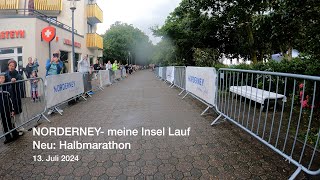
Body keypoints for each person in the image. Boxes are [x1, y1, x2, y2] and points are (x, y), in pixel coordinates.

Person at [5, 59, 25, 135]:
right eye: (10, 65)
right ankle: (14, 129)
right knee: (11, 114)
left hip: (16, 97)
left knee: (17, 113)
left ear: (15, 67)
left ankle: (20, 128)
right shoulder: (5, 74)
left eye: (13, 66)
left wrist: (15, 81)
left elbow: (21, 83)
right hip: (8, 98)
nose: (11, 67)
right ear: (8, 66)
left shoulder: (18, 75)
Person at [0, 72, 20, 144]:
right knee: (4, 124)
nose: (1, 79)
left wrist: (12, 109)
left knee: (10, 123)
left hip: (8, 108)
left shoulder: (7, 87)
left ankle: (15, 134)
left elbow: (11, 100)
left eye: (2, 78)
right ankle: (7, 137)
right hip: (2, 110)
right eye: (0, 78)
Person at [45, 50, 64, 115]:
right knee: (49, 94)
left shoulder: (60, 62)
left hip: (56, 79)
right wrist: (51, 62)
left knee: (56, 94)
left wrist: (57, 63)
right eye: (54, 54)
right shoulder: (49, 60)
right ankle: (51, 108)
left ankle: (57, 107)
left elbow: (59, 70)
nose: (55, 56)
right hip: (49, 79)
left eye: (57, 55)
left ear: (59, 56)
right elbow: (47, 68)